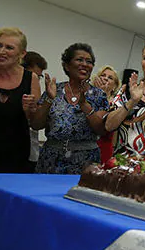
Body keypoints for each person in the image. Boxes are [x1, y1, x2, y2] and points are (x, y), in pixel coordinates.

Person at [30, 43, 108, 174]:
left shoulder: (99, 95)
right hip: (51, 159)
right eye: (79, 60)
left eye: (89, 62)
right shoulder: (55, 90)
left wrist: (85, 107)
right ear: (67, 65)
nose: (84, 64)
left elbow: (101, 129)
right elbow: (36, 124)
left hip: (85, 160)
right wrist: (49, 99)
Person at [0, 28, 40, 173]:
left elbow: (36, 123)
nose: (2, 51)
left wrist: (30, 110)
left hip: (15, 158)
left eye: (9, 47)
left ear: (22, 54)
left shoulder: (31, 79)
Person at [23, 51, 48, 172]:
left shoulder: (37, 94)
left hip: (31, 153)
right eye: (34, 76)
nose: (36, 80)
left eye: (39, 77)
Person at [92, 65, 121, 163]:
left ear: (114, 86)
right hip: (82, 147)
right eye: (103, 75)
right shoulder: (86, 97)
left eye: (110, 78)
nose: (105, 78)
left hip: (103, 149)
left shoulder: (116, 104)